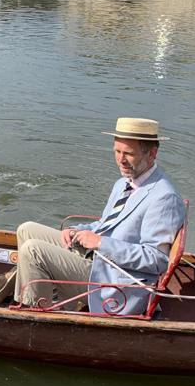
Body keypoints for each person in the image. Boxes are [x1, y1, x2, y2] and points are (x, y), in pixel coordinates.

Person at [11, 117, 185, 316]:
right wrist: (81, 231)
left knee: (33, 250)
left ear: (152, 153)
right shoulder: (124, 183)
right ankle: (44, 298)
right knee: (26, 229)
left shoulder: (164, 197)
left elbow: (156, 260)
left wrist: (101, 243)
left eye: (128, 153)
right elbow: (106, 224)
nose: (121, 159)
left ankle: (36, 315)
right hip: (99, 260)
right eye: (117, 152)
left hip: (115, 282)